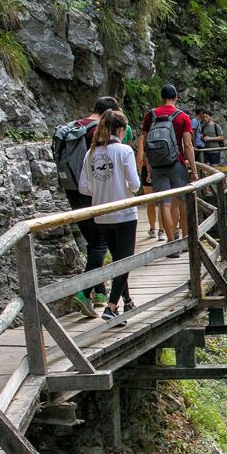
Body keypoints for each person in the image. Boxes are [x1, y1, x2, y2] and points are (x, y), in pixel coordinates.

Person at [52, 97, 115, 316]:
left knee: (92, 242)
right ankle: (83, 293)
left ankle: (99, 293)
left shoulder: (75, 126)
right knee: (100, 243)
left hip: (72, 191)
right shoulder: (97, 131)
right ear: (108, 113)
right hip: (91, 193)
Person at [78, 109, 142, 320]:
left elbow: (84, 187)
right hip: (124, 213)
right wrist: (119, 185)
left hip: (102, 215)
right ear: (121, 129)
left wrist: (102, 188)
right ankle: (112, 307)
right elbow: (135, 185)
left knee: (117, 260)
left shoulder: (91, 153)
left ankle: (128, 302)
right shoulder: (124, 151)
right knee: (125, 261)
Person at [136, 84, 199, 248]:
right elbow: (188, 145)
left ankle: (171, 245)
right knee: (183, 202)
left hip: (157, 166)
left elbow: (145, 142)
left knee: (165, 204)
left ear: (161, 98)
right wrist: (194, 170)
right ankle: (186, 242)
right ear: (176, 97)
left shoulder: (150, 115)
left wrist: (147, 165)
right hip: (177, 164)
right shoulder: (182, 117)